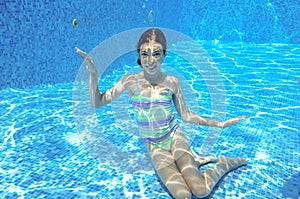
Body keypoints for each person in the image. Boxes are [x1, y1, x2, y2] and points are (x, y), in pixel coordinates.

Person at [75, 28, 247, 199]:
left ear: (164, 55)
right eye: (145, 54)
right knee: (183, 196)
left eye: (156, 54)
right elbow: (97, 102)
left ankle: (223, 165)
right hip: (154, 145)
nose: (150, 60)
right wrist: (93, 75)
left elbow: (186, 116)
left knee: (200, 191)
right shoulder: (129, 81)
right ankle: (194, 161)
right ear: (139, 56)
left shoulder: (172, 82)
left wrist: (219, 124)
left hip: (175, 137)